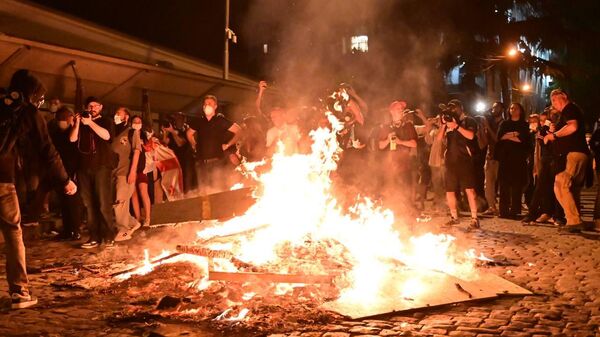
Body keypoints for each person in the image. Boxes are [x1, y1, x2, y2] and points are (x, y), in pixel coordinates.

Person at [0, 69, 77, 309]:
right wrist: (65, 180)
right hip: (2, 179)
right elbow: (47, 150)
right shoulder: (27, 112)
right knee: (13, 233)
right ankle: (19, 292)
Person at [70, 96, 115, 248]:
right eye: (90, 106)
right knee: (88, 204)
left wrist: (90, 123)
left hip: (101, 166)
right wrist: (77, 124)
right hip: (83, 168)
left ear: (101, 107)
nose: (93, 108)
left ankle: (108, 235)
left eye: (96, 105)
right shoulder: (82, 123)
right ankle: (94, 236)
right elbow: (72, 140)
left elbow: (107, 136)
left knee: (103, 202)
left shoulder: (106, 121)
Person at [543, 89, 590, 233]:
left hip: (574, 154)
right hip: (577, 153)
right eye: (552, 101)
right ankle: (575, 221)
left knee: (560, 183)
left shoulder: (570, 109)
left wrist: (554, 135)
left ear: (564, 97)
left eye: (555, 100)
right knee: (571, 188)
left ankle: (574, 221)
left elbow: (573, 127)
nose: (554, 104)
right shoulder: (568, 112)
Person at [186, 95, 241, 193]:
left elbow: (239, 130)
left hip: (217, 163)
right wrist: (193, 145)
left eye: (210, 103)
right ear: (203, 107)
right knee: (204, 192)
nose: (207, 105)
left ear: (215, 106)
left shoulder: (220, 121)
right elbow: (189, 133)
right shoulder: (199, 121)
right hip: (201, 163)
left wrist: (228, 145)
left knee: (217, 190)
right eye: (205, 104)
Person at [440, 99, 480, 229]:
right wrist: (443, 125)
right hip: (450, 161)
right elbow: (439, 139)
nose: (452, 111)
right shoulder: (447, 123)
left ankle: (474, 218)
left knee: (469, 189)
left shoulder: (469, 121)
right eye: (450, 109)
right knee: (450, 190)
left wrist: (456, 126)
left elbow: (470, 136)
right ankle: (454, 217)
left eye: (454, 108)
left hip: (465, 160)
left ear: (460, 108)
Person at [48, 106, 84, 240]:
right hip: (63, 170)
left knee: (71, 202)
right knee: (66, 202)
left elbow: (72, 139)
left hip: (69, 170)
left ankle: (74, 230)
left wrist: (75, 125)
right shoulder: (58, 132)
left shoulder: (67, 132)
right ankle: (69, 230)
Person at [378, 101, 417, 212]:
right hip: (390, 167)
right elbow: (380, 145)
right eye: (398, 108)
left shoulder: (408, 125)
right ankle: (393, 219)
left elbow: (414, 144)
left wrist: (400, 142)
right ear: (391, 111)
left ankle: (407, 220)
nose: (401, 110)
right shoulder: (386, 127)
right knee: (390, 194)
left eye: (402, 109)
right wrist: (388, 140)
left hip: (405, 166)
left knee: (406, 194)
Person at [495, 103, 531, 219]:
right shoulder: (504, 123)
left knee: (517, 185)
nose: (513, 110)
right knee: (504, 184)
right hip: (505, 158)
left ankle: (515, 210)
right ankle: (503, 210)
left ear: (520, 110)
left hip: (518, 158)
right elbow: (500, 136)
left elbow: (523, 140)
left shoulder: (524, 125)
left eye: (516, 108)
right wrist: (515, 134)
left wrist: (509, 136)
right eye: (511, 108)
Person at [112, 107, 142, 241]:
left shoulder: (131, 132)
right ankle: (132, 223)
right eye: (116, 113)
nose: (116, 115)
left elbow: (136, 151)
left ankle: (123, 230)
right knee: (118, 203)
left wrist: (133, 171)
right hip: (113, 172)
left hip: (125, 172)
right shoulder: (113, 132)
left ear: (126, 117)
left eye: (119, 113)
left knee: (120, 201)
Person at [522, 109, 556, 224]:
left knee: (545, 187)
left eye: (543, 121)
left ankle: (544, 212)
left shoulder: (549, 129)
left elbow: (544, 142)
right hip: (540, 162)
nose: (541, 123)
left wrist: (545, 129)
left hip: (550, 160)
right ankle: (537, 212)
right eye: (540, 121)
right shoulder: (536, 133)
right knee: (539, 187)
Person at [160, 112, 196, 194]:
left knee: (187, 182)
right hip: (176, 161)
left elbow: (180, 143)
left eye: (179, 118)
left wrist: (172, 132)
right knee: (177, 182)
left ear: (184, 120)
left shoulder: (187, 131)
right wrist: (165, 132)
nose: (177, 120)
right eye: (175, 119)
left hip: (186, 161)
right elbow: (165, 143)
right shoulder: (172, 131)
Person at [482, 102, 505, 216]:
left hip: (500, 157)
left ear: (502, 109)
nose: (493, 109)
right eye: (493, 107)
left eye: (496, 107)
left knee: (501, 183)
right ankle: (492, 207)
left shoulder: (503, 123)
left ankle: (504, 207)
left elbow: (497, 139)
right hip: (490, 156)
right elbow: (486, 141)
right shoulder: (490, 122)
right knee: (488, 184)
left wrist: (487, 127)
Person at [131, 115, 152, 227]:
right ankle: (138, 219)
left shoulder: (145, 137)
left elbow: (151, 153)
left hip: (142, 169)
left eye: (139, 122)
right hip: (131, 169)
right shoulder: (128, 135)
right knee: (133, 194)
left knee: (143, 192)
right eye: (135, 121)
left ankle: (148, 218)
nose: (137, 123)